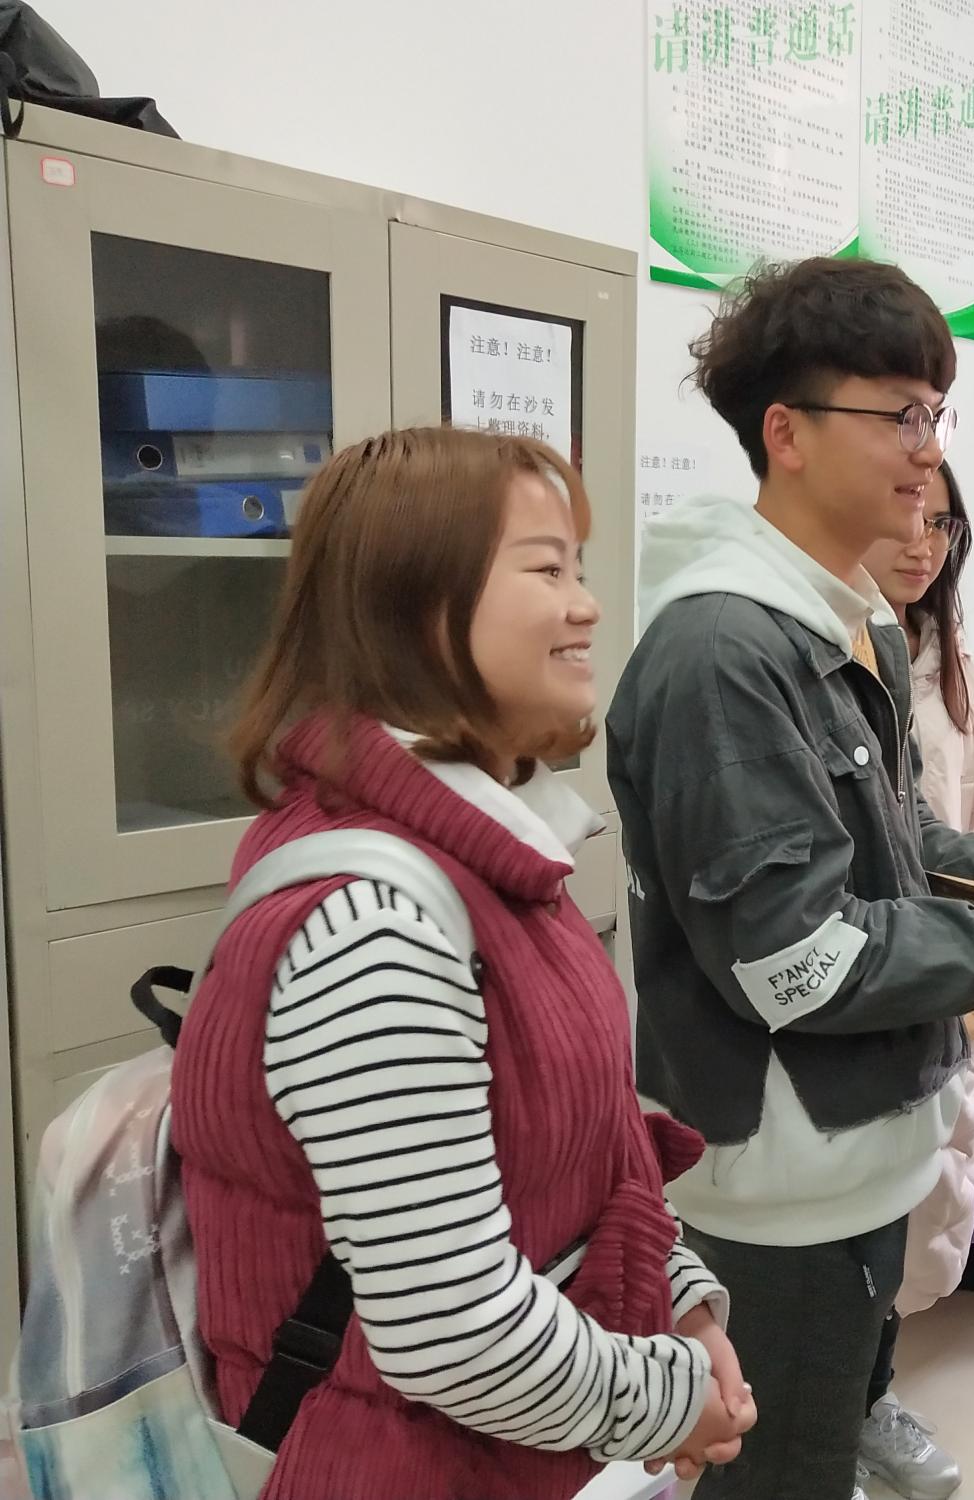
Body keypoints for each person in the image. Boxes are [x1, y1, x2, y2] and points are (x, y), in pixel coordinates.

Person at [606, 257, 974, 1500]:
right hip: (781, 1177)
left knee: (818, 1444)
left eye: (934, 413)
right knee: (776, 1474)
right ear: (784, 433)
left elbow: (895, 836)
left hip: (856, 1155)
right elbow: (795, 958)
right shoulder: (724, 651)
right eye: (895, 413)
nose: (925, 451)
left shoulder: (843, 620)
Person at [172, 427, 753, 1500]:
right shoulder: (377, 925)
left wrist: (678, 1299)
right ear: (415, 603)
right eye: (547, 570)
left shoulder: (488, 863)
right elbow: (455, 1329)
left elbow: (584, 1148)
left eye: (578, 570)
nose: (587, 607)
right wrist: (667, 1401)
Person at [846, 459, 974, 1495]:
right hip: (870, 978)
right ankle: (827, 1415)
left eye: (944, 525)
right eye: (907, 519)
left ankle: (868, 1399)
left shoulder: (952, 658)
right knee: (850, 1211)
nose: (924, 544)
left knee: (914, 1204)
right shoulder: (818, 655)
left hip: (958, 973)